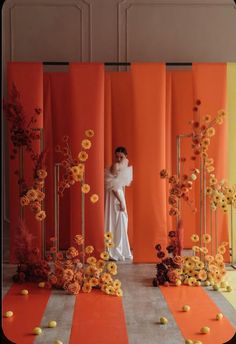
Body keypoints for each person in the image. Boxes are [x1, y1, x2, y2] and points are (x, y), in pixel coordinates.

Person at [104, 147, 133, 261]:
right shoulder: (115, 166)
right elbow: (113, 187)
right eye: (117, 156)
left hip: (118, 194)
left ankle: (119, 249)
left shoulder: (121, 165)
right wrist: (121, 201)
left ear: (126, 157)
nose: (118, 159)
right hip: (115, 196)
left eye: (121, 157)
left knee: (120, 221)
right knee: (119, 221)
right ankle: (115, 251)